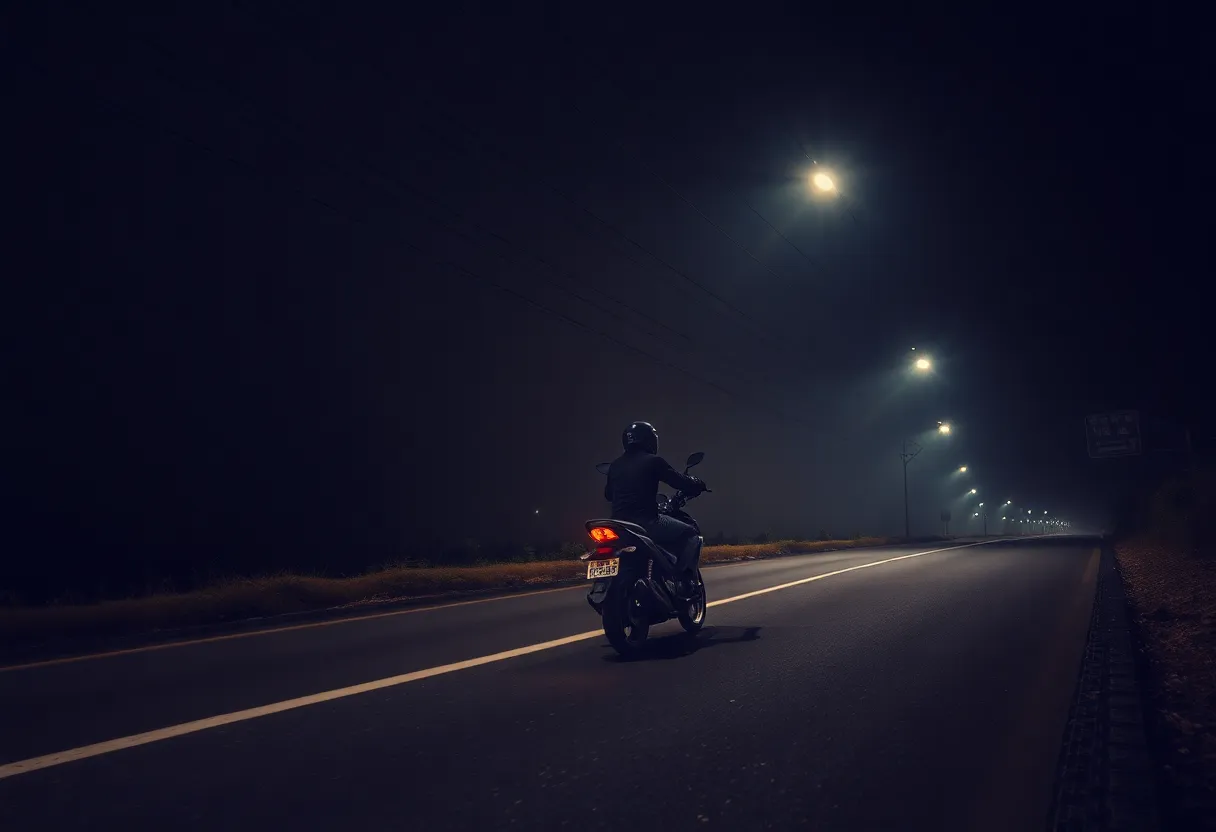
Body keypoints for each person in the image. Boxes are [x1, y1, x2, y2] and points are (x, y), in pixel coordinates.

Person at [603, 421, 707, 597]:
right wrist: (696, 483)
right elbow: (678, 481)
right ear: (649, 439)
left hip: (619, 525)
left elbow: (608, 495)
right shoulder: (653, 461)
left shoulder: (615, 465)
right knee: (690, 534)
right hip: (647, 522)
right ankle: (685, 583)